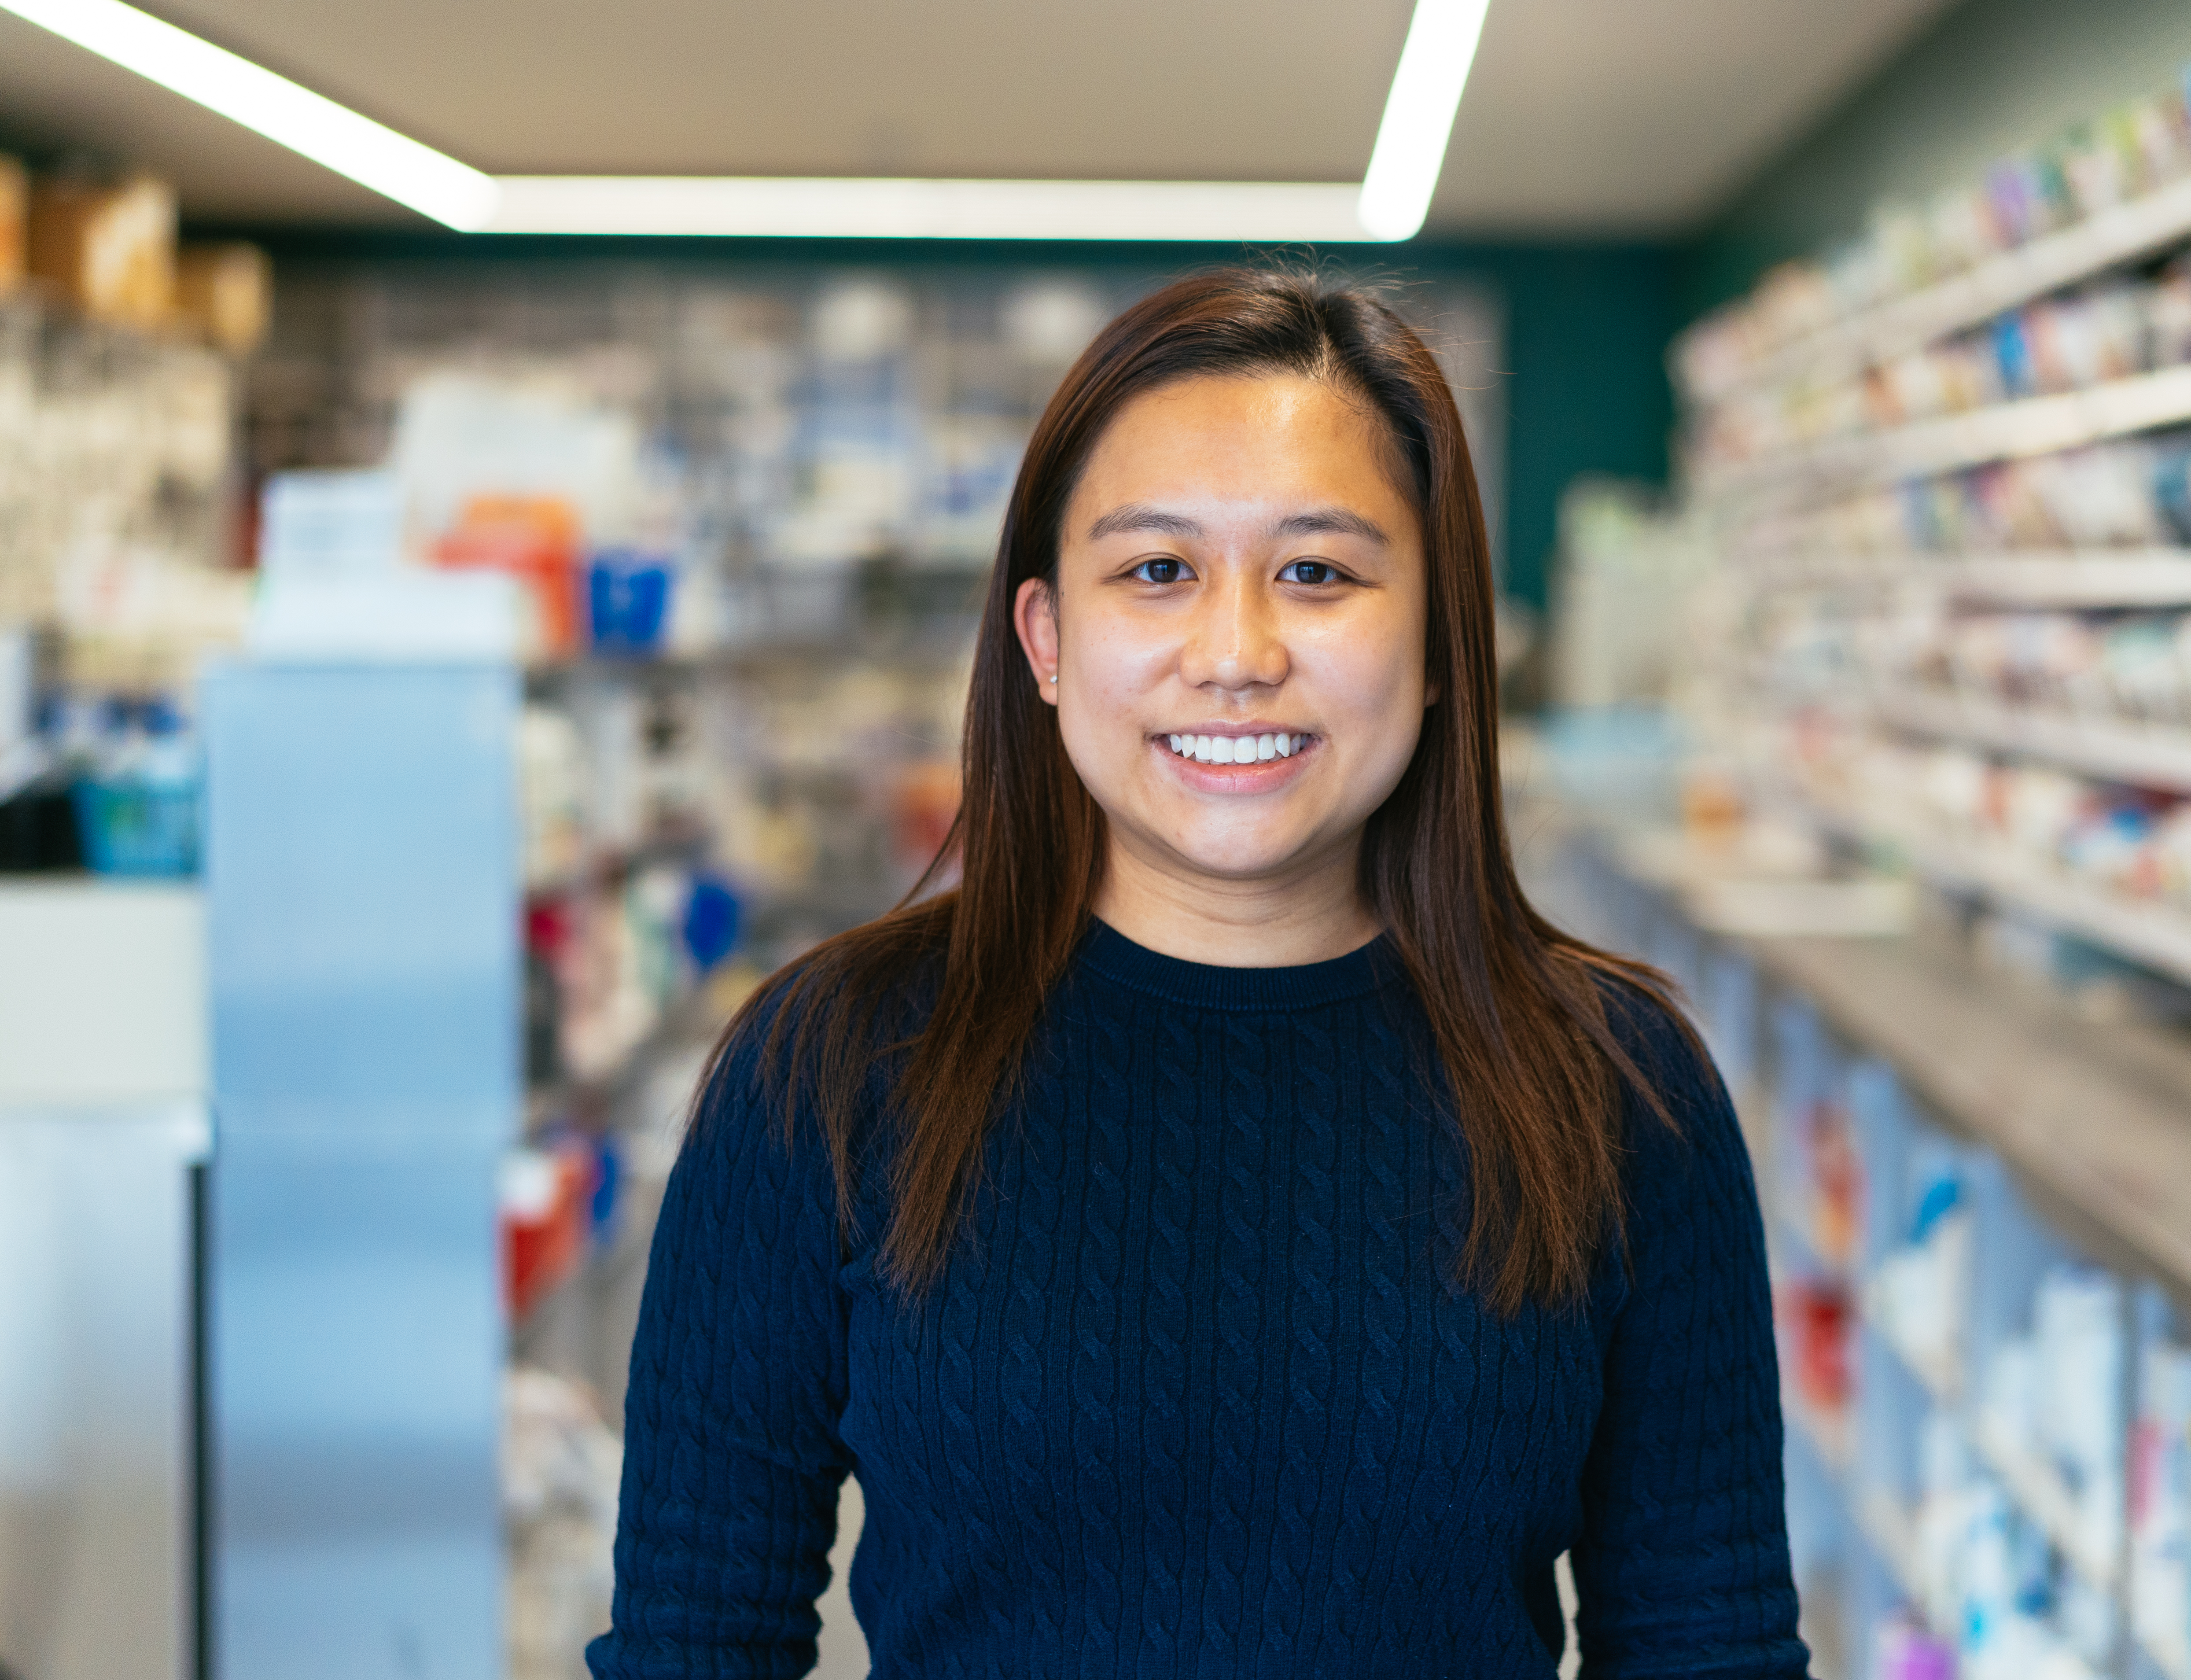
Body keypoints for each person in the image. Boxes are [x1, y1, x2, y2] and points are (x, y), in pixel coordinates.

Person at [589, 268, 1808, 1678]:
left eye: (1320, 572)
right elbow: (697, 1643)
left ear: (1433, 648)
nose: (1236, 654)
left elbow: (1704, 1648)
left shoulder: (1615, 1088)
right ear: (1046, 642)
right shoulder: (830, 1062)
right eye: (1156, 571)